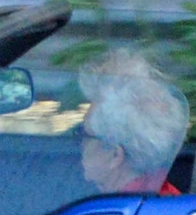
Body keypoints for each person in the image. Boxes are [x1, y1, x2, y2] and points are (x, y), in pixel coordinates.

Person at [77, 49, 189, 195]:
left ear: (115, 155)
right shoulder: (167, 198)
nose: (79, 143)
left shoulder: (109, 212)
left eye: (83, 133)